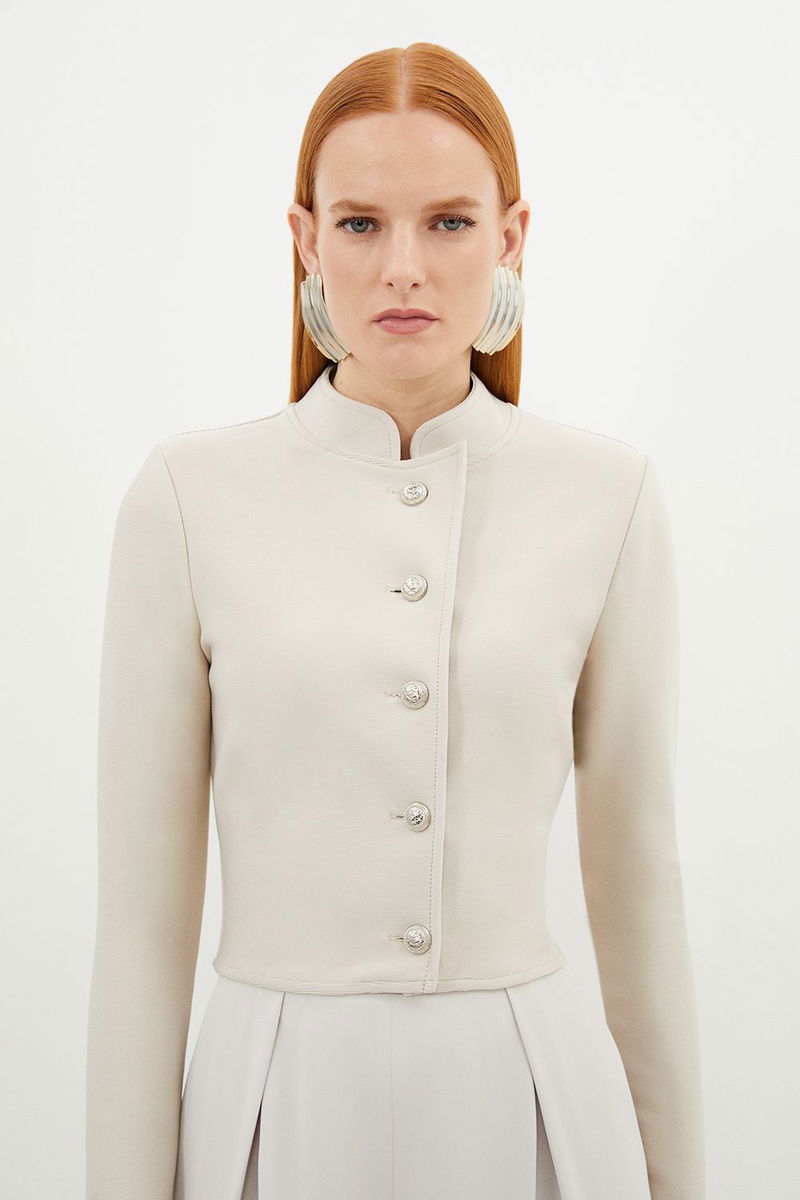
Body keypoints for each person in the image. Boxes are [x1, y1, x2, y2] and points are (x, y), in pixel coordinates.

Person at [85, 41, 706, 1200]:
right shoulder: (185, 499)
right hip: (271, 1102)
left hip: (532, 1100)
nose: (402, 270)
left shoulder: (606, 497)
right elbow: (138, 921)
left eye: (449, 223)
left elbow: (639, 884)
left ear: (511, 237)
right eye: (361, 224)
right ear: (304, 240)